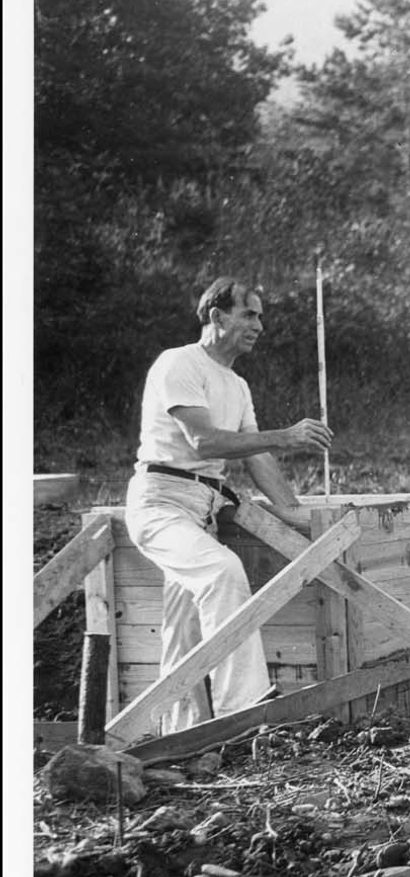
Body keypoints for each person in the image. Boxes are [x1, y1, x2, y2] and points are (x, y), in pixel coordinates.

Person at [125, 278, 333, 733]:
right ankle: (247, 710)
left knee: (184, 630)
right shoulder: (178, 363)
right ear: (216, 318)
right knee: (222, 573)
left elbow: (257, 457)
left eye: (260, 316)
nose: (259, 325)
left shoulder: (237, 386)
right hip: (160, 502)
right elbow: (203, 441)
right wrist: (286, 434)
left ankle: (180, 734)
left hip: (202, 510)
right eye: (249, 314)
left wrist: (298, 515)